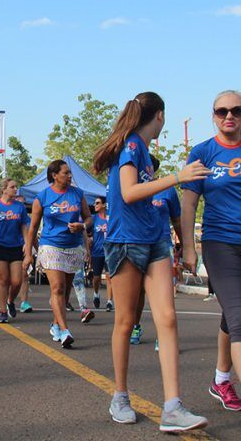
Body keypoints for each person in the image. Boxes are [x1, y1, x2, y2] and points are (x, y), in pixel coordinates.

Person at [92, 91, 209, 432]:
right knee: (126, 321)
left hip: (155, 243)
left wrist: (186, 247)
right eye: (164, 117)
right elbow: (128, 193)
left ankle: (173, 406)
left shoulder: (142, 151)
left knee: (168, 319)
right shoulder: (130, 146)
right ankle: (120, 396)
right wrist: (177, 176)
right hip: (126, 242)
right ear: (159, 116)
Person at [181, 90, 241, 411]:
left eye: (236, 110)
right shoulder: (203, 152)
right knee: (240, 316)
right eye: (222, 111)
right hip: (220, 243)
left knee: (232, 315)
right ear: (213, 115)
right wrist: (189, 247)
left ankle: (220, 379)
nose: (229, 116)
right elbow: (189, 203)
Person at [24, 160, 92, 349]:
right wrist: (29, 254)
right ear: (54, 175)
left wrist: (82, 226)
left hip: (73, 246)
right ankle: (64, 330)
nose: (70, 176)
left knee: (66, 290)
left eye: (70, 173)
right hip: (50, 245)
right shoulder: (42, 197)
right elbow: (33, 228)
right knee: (57, 288)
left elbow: (89, 218)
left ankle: (55, 324)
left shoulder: (77, 194)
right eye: (66, 173)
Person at [130, 155, 183, 347]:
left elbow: (177, 219)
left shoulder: (166, 190)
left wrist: (184, 245)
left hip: (162, 245)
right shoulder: (130, 189)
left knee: (163, 294)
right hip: (135, 244)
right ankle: (135, 326)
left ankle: (164, 335)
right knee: (137, 294)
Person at [0, 178, 28, 323]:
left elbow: (24, 227)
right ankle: (3, 311)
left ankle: (10, 300)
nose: (16, 189)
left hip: (16, 246)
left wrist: (27, 245)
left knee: (16, 281)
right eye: (12, 187)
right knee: (3, 280)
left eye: (16, 187)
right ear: (4, 189)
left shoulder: (20, 207)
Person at [90, 196, 113, 312]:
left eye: (98, 203)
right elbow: (87, 234)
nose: (95, 205)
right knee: (96, 277)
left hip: (109, 252)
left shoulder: (110, 218)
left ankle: (109, 301)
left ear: (104, 205)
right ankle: (96, 293)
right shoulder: (93, 219)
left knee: (109, 277)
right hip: (96, 251)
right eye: (95, 203)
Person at [15, 194, 35, 313]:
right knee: (11, 279)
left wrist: (35, 248)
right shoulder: (11, 215)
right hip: (11, 248)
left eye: (24, 203)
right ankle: (9, 300)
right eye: (19, 203)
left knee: (24, 275)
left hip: (25, 249)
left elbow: (33, 234)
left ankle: (24, 302)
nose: (22, 205)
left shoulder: (28, 219)